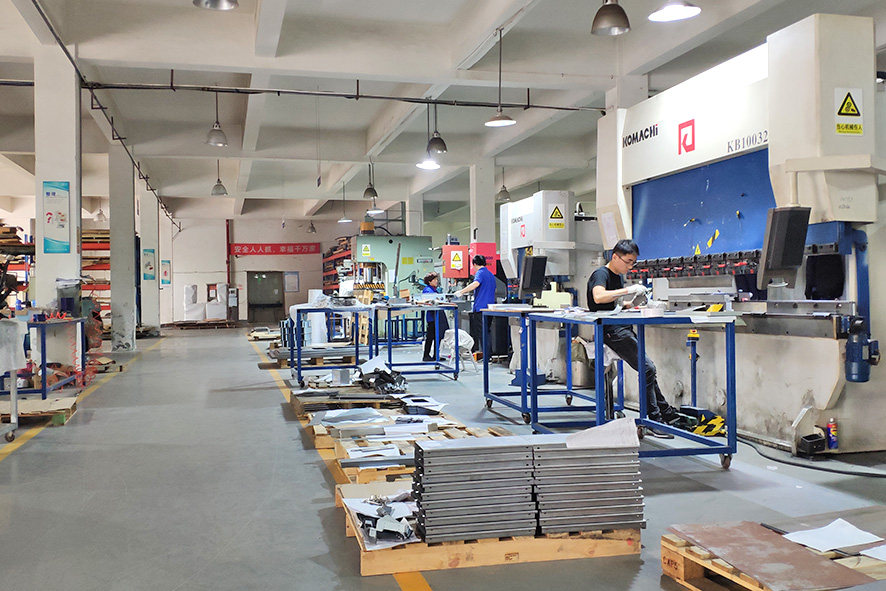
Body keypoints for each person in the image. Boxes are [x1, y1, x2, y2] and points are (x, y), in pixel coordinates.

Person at [587, 239, 679, 438]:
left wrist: (630, 304)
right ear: (615, 257)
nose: (630, 266)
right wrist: (628, 290)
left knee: (647, 369)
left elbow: (611, 305)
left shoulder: (617, 276)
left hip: (622, 328)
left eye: (633, 263)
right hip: (612, 332)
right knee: (647, 368)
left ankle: (665, 412)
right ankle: (653, 420)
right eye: (628, 262)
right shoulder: (601, 274)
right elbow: (598, 297)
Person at [455, 255, 496, 354]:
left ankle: (486, 356)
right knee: (487, 332)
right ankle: (488, 355)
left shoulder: (480, 273)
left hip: (480, 308)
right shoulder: (491, 275)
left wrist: (461, 292)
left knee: (482, 333)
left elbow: (475, 284)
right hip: (490, 308)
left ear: (474, 264)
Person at [421, 272, 449, 361]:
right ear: (430, 281)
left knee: (438, 336)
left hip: (438, 316)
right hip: (432, 317)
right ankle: (426, 355)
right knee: (430, 337)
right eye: (435, 280)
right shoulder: (428, 290)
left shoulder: (434, 289)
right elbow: (431, 300)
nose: (436, 281)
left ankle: (436, 355)